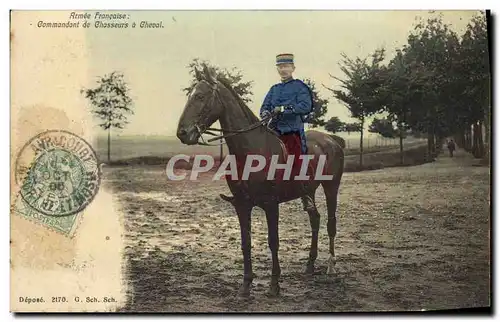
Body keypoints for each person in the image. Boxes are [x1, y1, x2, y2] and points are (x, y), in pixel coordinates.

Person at [259, 53, 315, 211]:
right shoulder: (274, 89)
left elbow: (306, 106)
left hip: (291, 130)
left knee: (296, 157)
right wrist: (264, 113)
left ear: (293, 68)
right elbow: (264, 106)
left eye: (286, 66)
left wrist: (284, 109)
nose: (283, 70)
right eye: (280, 67)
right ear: (277, 69)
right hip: (273, 130)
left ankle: (306, 193)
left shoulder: (300, 87)